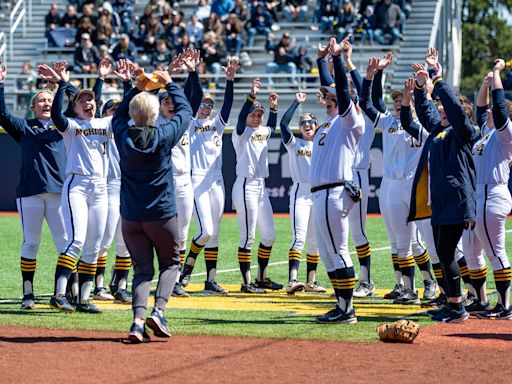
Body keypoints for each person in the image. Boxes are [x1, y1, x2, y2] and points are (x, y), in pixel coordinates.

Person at [111, 66, 192, 343]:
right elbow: (185, 112)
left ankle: (136, 322)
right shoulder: (163, 135)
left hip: (131, 217)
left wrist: (139, 85)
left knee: (142, 270)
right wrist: (169, 83)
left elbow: (121, 114)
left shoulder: (121, 134)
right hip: (161, 213)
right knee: (171, 263)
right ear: (156, 114)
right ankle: (158, 311)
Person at [361, 53, 437, 304]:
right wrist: (371, 76)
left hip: (414, 185)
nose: (397, 102)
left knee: (416, 242)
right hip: (390, 185)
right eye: (394, 99)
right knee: (398, 241)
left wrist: (428, 76)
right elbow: (367, 103)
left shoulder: (423, 126)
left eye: (402, 98)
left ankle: (429, 280)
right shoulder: (388, 122)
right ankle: (407, 288)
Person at [409, 48, 478, 323]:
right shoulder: (439, 131)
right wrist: (419, 87)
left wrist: (438, 78)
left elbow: (454, 109)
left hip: (456, 199)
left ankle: (458, 307)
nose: (441, 111)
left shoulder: (463, 131)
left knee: (447, 252)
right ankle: (452, 304)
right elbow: (426, 112)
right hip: (440, 199)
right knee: (442, 251)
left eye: (445, 109)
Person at [41, 60, 111, 314]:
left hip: (101, 188)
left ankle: (83, 298)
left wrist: (101, 80)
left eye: (91, 100)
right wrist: (60, 85)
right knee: (77, 241)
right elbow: (58, 116)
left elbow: (118, 110)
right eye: (82, 101)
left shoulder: (104, 124)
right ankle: (58, 294)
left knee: (94, 245)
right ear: (75, 106)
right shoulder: (71, 127)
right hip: (77, 186)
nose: (88, 102)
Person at [0, 62, 67, 310]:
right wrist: (1, 83)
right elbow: (2, 114)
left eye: (49, 100)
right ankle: (27, 295)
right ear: (32, 107)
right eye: (41, 101)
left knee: (65, 243)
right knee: (31, 243)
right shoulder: (25, 127)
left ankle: (61, 292)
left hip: (58, 193)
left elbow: (74, 106)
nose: (46, 103)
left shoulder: (64, 127)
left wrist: (60, 84)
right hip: (30, 193)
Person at [311, 37, 364, 324]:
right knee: (329, 254)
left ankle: (348, 310)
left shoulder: (351, 121)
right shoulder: (330, 122)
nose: (329, 101)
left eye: (333, 100)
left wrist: (340, 60)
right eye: (327, 99)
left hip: (335, 192)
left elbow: (342, 90)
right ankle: (340, 305)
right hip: (321, 193)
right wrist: (323, 61)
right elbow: (333, 88)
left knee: (339, 251)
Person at [179, 59, 239, 294]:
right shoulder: (190, 123)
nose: (206, 108)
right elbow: (193, 97)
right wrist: (193, 73)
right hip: (197, 180)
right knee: (205, 231)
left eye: (209, 105)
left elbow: (229, 104)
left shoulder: (216, 124)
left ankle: (210, 280)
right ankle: (187, 269)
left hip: (217, 181)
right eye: (203, 104)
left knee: (215, 236)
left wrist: (230, 81)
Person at [466, 60, 512, 319]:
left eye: (495, 111)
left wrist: (496, 74)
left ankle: (505, 306)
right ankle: (482, 301)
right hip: (480, 196)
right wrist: (484, 83)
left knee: (496, 253)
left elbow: (497, 103)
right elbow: (482, 107)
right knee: (474, 251)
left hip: (493, 194)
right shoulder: (487, 133)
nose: (489, 114)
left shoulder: (506, 134)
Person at [157, 49, 203, 297]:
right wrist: (169, 74)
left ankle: (173, 280)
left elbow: (195, 98)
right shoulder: (155, 120)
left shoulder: (184, 121)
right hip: (163, 181)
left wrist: (193, 73)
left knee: (183, 231)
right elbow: (151, 93)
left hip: (185, 181)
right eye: (166, 102)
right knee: (159, 230)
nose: (171, 105)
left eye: (172, 102)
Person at [232, 78, 282, 293]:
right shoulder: (241, 132)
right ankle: (246, 282)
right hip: (245, 185)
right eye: (253, 114)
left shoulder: (263, 131)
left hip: (260, 186)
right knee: (248, 236)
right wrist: (250, 96)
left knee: (269, 234)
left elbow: (271, 126)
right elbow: (243, 119)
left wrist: (273, 109)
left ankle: (262, 278)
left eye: (259, 114)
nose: (256, 117)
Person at [279, 92, 326, 295]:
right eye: (303, 122)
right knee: (299, 237)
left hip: (317, 192)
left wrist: (325, 104)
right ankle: (292, 280)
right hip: (300, 192)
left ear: (316, 125)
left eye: (310, 122)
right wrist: (296, 103)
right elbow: (282, 124)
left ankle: (311, 282)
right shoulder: (294, 144)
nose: (307, 125)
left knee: (315, 241)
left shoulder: (322, 143)